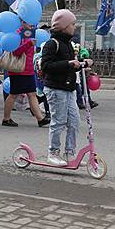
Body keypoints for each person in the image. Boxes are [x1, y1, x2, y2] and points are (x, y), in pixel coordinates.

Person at [40, 9, 92, 166]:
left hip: (69, 88)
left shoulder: (68, 44)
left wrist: (83, 65)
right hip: (56, 89)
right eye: (72, 24)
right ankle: (53, 152)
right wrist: (68, 64)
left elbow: (70, 66)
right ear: (63, 26)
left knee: (74, 121)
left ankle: (70, 153)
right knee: (59, 121)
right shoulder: (52, 44)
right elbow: (46, 66)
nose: (74, 27)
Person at [2, 26, 50, 127]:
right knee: (13, 94)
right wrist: (29, 44)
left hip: (28, 70)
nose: (32, 26)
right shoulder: (17, 34)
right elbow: (15, 52)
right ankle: (6, 118)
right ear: (23, 21)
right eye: (30, 24)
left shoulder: (30, 34)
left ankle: (40, 119)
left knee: (32, 94)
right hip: (18, 70)